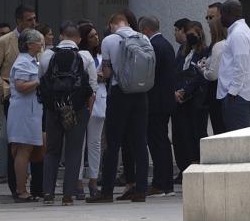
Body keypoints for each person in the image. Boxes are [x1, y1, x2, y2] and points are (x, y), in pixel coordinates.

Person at [89, 11, 149, 203]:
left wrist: (102, 73)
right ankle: (140, 190)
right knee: (140, 143)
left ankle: (106, 191)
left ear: (112, 24)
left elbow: (106, 72)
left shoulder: (110, 40)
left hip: (120, 93)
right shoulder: (143, 38)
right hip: (141, 94)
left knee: (113, 143)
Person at [38, 23, 95, 205]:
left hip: (54, 109)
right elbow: (92, 88)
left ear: (62, 37)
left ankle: (48, 193)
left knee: (52, 151)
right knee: (73, 151)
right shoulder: (85, 57)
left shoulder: (47, 55)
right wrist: (88, 110)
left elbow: (42, 81)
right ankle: (68, 195)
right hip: (77, 110)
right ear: (78, 39)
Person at [0, 4, 37, 195]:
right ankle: (16, 185)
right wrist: (4, 88)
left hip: (34, 97)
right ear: (19, 21)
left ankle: (34, 184)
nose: (33, 22)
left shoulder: (36, 39)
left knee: (33, 141)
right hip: (13, 95)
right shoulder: (4, 41)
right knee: (15, 141)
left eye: (34, 19)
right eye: (29, 20)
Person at [140, 16, 179, 195]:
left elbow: (150, 74)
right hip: (164, 101)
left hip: (156, 102)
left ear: (146, 30)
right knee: (161, 141)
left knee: (157, 142)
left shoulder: (154, 46)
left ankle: (161, 182)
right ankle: (164, 182)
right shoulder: (167, 45)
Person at [7, 30, 45, 201]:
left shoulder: (32, 61)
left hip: (30, 111)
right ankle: (21, 190)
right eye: (39, 41)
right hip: (23, 112)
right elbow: (21, 86)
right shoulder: (22, 62)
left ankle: (24, 188)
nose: (42, 44)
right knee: (23, 149)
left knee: (27, 149)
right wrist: (39, 81)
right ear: (29, 44)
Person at [213, 0, 250, 132]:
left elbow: (241, 66)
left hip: (236, 98)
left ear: (228, 14)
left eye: (221, 15)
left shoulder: (238, 34)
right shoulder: (239, 32)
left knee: (237, 142)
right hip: (236, 97)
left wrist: (232, 93)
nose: (220, 18)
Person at [172, 20, 210, 176]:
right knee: (184, 135)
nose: (191, 37)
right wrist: (176, 91)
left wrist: (185, 91)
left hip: (196, 98)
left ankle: (199, 162)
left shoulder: (205, 51)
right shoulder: (182, 50)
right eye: (189, 34)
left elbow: (200, 76)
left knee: (197, 132)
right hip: (181, 100)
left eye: (194, 34)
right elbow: (176, 71)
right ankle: (186, 166)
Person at [77, 21, 106, 199]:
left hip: (100, 100)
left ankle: (94, 180)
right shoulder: (80, 55)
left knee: (95, 144)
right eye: (92, 36)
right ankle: (78, 181)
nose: (96, 38)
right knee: (79, 144)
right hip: (83, 99)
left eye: (97, 35)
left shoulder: (102, 56)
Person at [203, 5, 226, 135]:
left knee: (220, 129)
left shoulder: (220, 44)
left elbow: (212, 74)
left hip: (219, 92)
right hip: (214, 93)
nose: (208, 20)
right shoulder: (214, 44)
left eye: (211, 17)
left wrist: (204, 70)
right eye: (207, 17)